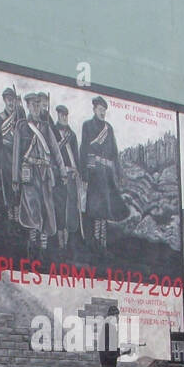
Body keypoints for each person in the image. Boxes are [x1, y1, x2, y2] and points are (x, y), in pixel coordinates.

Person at [15, 93, 63, 253]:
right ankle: (32, 245)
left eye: (38, 104)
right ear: (27, 106)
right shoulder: (21, 126)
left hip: (44, 174)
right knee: (32, 210)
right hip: (29, 174)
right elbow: (17, 153)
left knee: (46, 210)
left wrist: (62, 171)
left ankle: (43, 248)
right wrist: (15, 178)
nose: (35, 107)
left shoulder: (46, 127)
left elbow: (56, 152)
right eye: (32, 104)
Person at [79, 96, 127, 251]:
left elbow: (114, 153)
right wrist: (84, 175)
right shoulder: (87, 126)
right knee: (95, 210)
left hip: (106, 175)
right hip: (93, 173)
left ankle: (103, 243)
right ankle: (94, 242)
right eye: (100, 110)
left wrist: (119, 174)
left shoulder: (109, 128)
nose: (102, 113)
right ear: (94, 109)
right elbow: (84, 150)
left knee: (105, 210)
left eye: (104, 110)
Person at [51, 104, 83, 251]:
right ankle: (60, 242)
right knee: (59, 207)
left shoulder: (72, 135)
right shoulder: (53, 132)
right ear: (57, 115)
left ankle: (69, 241)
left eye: (66, 115)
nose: (64, 117)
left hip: (71, 175)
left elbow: (76, 156)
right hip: (59, 175)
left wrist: (77, 171)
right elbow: (52, 155)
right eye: (61, 115)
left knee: (71, 207)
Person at [0, 87, 22, 220]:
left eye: (13, 100)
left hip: (19, 159)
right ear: (5, 101)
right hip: (5, 158)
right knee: (8, 188)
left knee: (19, 189)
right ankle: (11, 217)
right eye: (9, 100)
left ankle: (18, 217)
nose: (11, 103)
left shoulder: (20, 118)